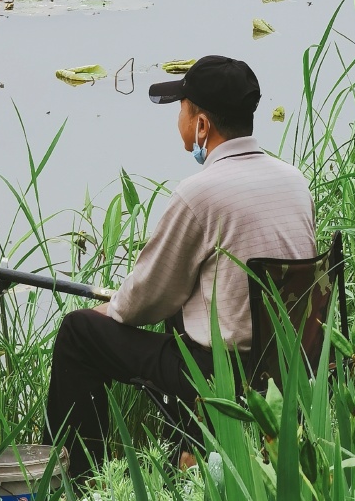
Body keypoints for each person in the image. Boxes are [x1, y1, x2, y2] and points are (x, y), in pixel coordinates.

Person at [44, 55, 316, 478]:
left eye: (182, 110)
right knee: (183, 308)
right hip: (291, 365)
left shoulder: (199, 193)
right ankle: (188, 449)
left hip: (222, 374)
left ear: (202, 125)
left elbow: (146, 298)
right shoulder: (295, 181)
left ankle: (81, 485)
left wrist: (111, 308)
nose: (179, 121)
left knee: (79, 334)